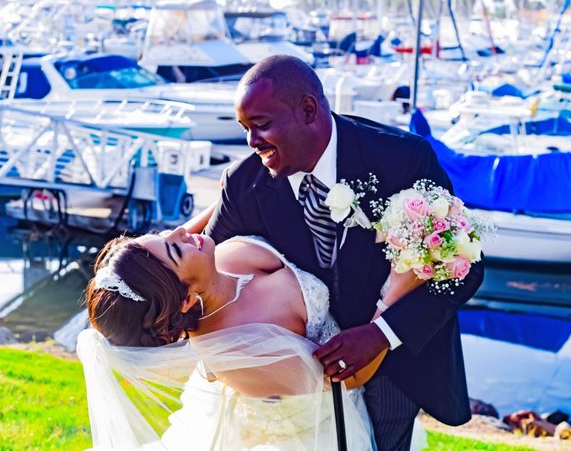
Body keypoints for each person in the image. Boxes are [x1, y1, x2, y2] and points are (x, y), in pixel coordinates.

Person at [189, 54, 485, 450]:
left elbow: (464, 269)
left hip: (393, 367)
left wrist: (381, 334)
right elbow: (200, 265)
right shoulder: (243, 184)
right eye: (245, 129)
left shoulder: (402, 159)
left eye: (261, 126)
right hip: (299, 384)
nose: (251, 142)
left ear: (308, 110)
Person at [79, 227, 377, 450]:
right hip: (316, 432)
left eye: (163, 235)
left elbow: (230, 194)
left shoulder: (211, 259)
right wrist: (397, 295)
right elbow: (350, 378)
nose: (182, 230)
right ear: (185, 301)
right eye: (176, 250)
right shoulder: (243, 351)